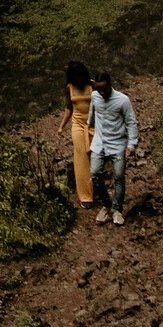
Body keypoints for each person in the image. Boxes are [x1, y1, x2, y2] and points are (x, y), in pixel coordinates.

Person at [87, 68, 139, 224]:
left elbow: (131, 122)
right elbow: (92, 113)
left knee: (118, 177)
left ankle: (117, 210)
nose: (101, 92)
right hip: (99, 142)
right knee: (95, 173)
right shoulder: (95, 96)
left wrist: (132, 143)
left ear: (110, 84)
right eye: (99, 89)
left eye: (104, 88)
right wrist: (90, 126)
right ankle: (106, 205)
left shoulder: (123, 100)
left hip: (117, 143)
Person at [64, 61, 96, 219]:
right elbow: (69, 108)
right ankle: (85, 196)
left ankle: (96, 190)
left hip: (94, 125)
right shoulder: (69, 88)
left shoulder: (92, 86)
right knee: (81, 158)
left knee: (95, 156)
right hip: (77, 125)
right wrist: (61, 126)